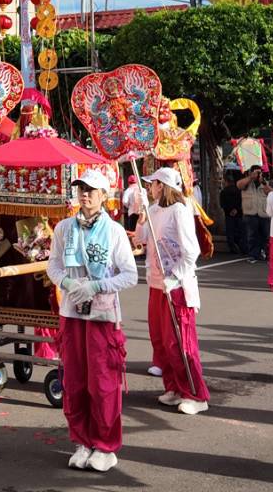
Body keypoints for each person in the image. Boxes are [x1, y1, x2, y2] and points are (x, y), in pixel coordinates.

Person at [47, 168, 138, 473]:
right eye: (80, 189)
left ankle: (105, 445)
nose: (84, 195)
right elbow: (53, 267)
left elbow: (129, 275)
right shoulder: (63, 229)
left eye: (91, 190)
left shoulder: (114, 232)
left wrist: (97, 286)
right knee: (74, 380)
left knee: (102, 382)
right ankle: (82, 440)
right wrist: (70, 285)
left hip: (102, 315)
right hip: (72, 313)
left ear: (103, 196)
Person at [132, 168, 208, 416]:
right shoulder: (153, 210)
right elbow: (141, 239)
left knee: (181, 343)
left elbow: (191, 251)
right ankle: (174, 387)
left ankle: (196, 394)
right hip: (156, 285)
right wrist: (142, 214)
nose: (150, 188)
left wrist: (174, 277)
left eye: (153, 184)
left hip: (176, 288)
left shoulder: (180, 211)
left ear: (162, 186)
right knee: (161, 342)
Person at [217, 168, 246, 259]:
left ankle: (234, 249)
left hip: (228, 215)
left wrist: (230, 210)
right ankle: (242, 248)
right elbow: (242, 202)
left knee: (230, 233)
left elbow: (222, 204)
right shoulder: (239, 191)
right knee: (240, 231)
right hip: (239, 214)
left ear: (226, 181)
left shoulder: (223, 192)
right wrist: (236, 209)